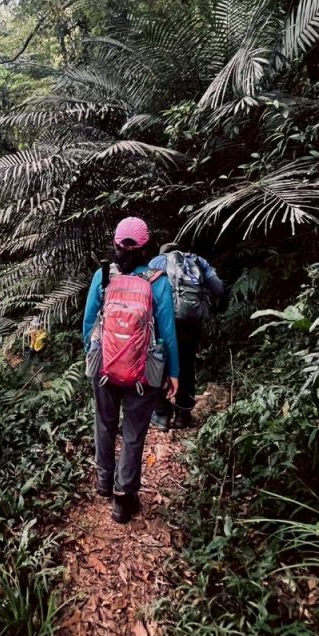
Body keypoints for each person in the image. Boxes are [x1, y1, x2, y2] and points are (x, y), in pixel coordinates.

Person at [83, 217, 179, 524]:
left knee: (104, 423)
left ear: (115, 245)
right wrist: (173, 372)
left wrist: (95, 355)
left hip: (104, 366)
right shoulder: (157, 282)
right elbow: (167, 332)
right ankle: (123, 500)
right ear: (146, 248)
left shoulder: (103, 277)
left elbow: (89, 323)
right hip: (143, 372)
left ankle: (103, 482)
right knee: (134, 432)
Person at [149, 243, 225, 431]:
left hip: (163, 322)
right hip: (190, 323)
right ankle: (183, 414)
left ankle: (161, 414)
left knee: (159, 363)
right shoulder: (198, 261)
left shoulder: (156, 262)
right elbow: (219, 289)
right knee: (187, 364)